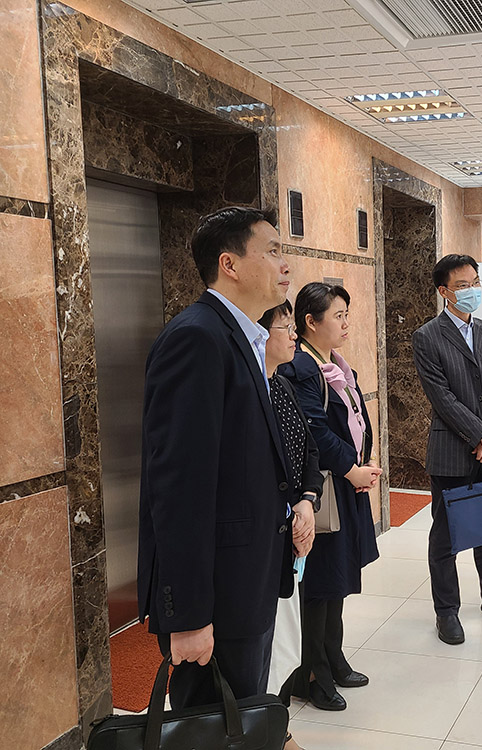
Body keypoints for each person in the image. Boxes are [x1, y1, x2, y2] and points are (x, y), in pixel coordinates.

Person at [137, 206, 314, 709]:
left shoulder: (243, 337)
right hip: (217, 592)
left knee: (243, 714)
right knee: (212, 724)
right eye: (272, 251)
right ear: (229, 264)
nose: (285, 264)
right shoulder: (197, 337)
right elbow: (178, 487)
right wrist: (189, 615)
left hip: (246, 579)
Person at [412, 254, 482, 645]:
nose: (472, 290)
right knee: (446, 536)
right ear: (444, 292)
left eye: (475, 282)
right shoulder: (427, 336)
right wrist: (480, 435)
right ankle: (446, 611)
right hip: (452, 451)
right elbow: (441, 397)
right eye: (462, 285)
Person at [279, 282, 381, 712]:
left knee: (336, 579)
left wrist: (363, 462)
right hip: (322, 491)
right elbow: (315, 432)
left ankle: (334, 657)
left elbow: (355, 419)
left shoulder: (336, 364)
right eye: (337, 316)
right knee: (319, 585)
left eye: (346, 314)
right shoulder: (300, 369)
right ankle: (311, 675)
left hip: (344, 483)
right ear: (310, 321)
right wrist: (351, 468)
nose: (345, 323)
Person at [259, 300, 320, 750]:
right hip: (263, 537)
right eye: (285, 326)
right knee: (266, 641)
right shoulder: (247, 391)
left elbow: (309, 450)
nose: (294, 335)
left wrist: (307, 500)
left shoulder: (281, 385)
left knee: (285, 639)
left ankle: (275, 726)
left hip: (292, 530)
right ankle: (271, 733)